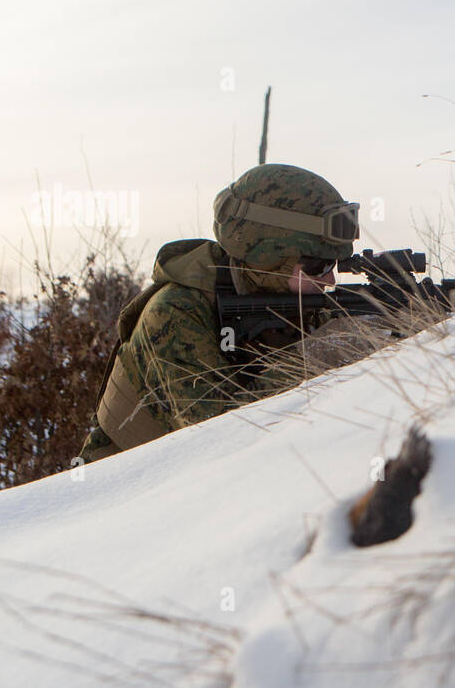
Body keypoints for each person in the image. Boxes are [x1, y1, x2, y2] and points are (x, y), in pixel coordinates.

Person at [78, 163, 384, 464]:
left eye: (333, 266)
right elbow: (218, 436)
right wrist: (320, 353)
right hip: (128, 493)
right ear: (269, 258)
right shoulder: (176, 313)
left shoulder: (291, 299)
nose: (329, 280)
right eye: (318, 266)